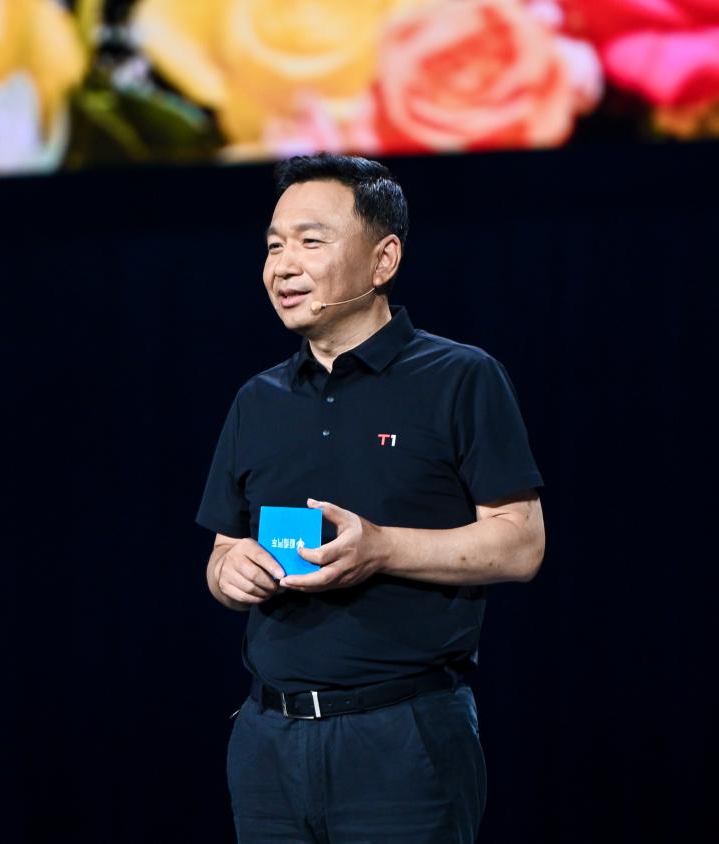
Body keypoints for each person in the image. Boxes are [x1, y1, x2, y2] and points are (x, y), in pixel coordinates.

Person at [196, 153, 546, 844]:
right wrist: (227, 571)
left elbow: (521, 543)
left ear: (383, 259)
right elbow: (223, 546)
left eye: (310, 241)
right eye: (273, 246)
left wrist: (382, 548)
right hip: (269, 740)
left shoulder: (460, 377)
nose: (283, 266)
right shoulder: (257, 399)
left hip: (403, 736)